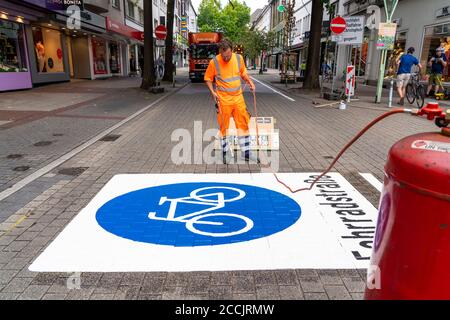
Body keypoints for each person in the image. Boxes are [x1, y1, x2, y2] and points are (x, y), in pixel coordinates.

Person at [204, 39, 257, 164]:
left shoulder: (239, 59)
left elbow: (243, 72)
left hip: (238, 98)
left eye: (228, 55)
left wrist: (249, 82)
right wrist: (213, 92)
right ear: (220, 52)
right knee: (224, 126)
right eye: (223, 56)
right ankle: (226, 152)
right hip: (223, 99)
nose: (226, 58)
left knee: (243, 123)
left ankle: (247, 152)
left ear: (231, 50)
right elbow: (208, 78)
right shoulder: (214, 62)